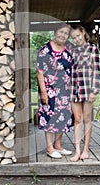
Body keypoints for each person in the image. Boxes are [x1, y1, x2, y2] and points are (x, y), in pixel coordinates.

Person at [36, 23, 73, 159]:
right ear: (55, 32)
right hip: (50, 91)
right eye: (61, 32)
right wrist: (44, 92)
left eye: (66, 33)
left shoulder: (67, 50)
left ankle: (58, 145)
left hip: (64, 91)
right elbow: (39, 72)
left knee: (62, 117)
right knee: (50, 118)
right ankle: (49, 148)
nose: (63, 35)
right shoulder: (45, 50)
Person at [69, 25, 100, 162]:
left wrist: (94, 90)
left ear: (83, 33)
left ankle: (85, 149)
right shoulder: (72, 52)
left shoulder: (93, 50)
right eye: (73, 38)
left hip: (88, 90)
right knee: (77, 120)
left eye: (78, 36)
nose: (76, 39)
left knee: (87, 120)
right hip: (74, 91)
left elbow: (97, 71)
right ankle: (77, 151)